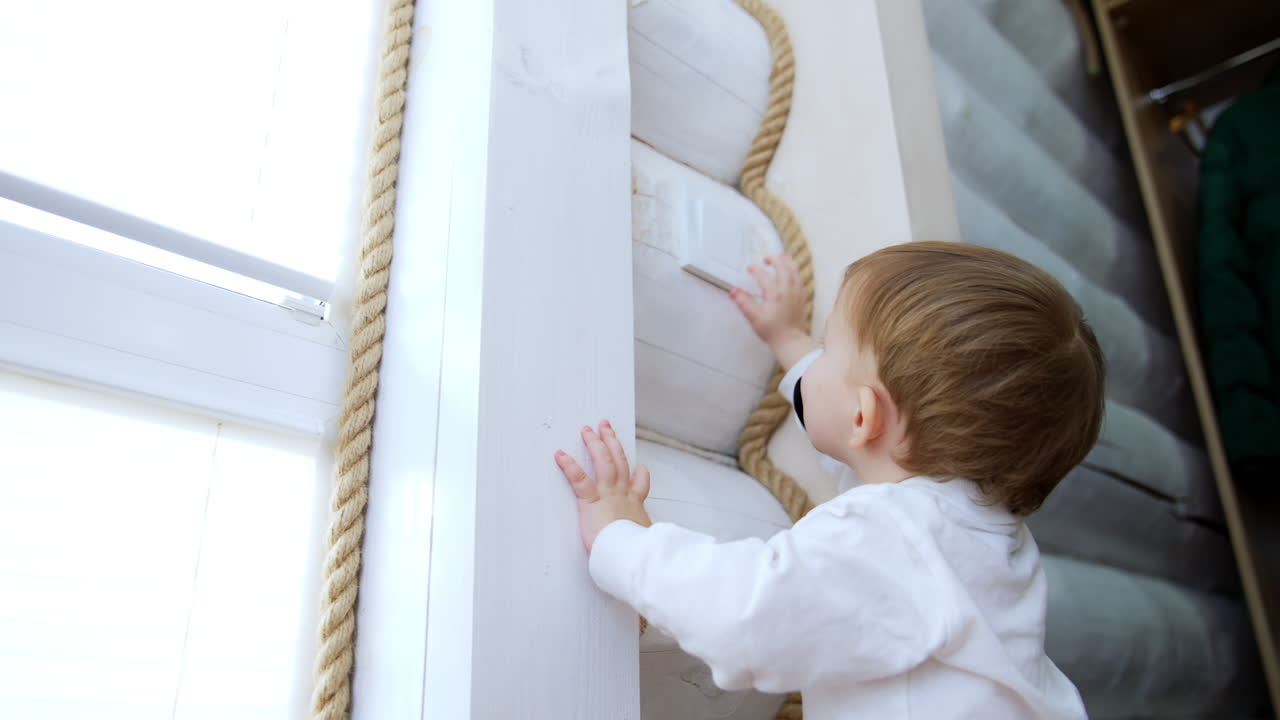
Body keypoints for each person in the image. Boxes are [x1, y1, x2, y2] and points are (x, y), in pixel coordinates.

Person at [554, 242, 1103, 718]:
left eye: (828, 347)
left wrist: (622, 539)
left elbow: (743, 616)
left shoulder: (891, 544)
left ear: (865, 416)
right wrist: (788, 340)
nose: (815, 360)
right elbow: (853, 439)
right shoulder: (974, 519)